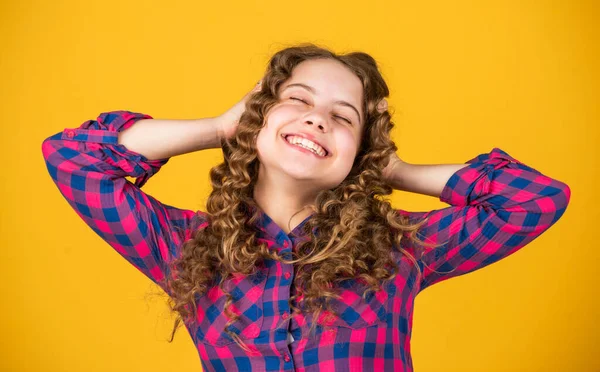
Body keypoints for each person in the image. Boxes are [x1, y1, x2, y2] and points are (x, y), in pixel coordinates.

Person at [41, 43, 571, 372]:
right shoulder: (184, 248)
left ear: (360, 152)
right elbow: (71, 157)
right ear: (258, 117)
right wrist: (222, 128)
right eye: (297, 100)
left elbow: (534, 200)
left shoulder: (399, 249)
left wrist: (394, 170)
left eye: (344, 118)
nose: (318, 119)